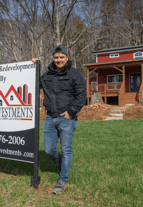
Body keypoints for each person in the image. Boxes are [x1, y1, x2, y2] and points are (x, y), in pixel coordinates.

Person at [32, 45, 86, 194]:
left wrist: (71, 111)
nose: (59, 60)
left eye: (62, 57)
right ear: (53, 58)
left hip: (66, 118)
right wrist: (35, 67)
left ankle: (62, 179)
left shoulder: (75, 74)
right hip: (50, 117)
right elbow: (36, 85)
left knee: (66, 149)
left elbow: (82, 95)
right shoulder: (48, 74)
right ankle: (62, 165)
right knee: (49, 149)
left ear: (67, 58)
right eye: (56, 57)